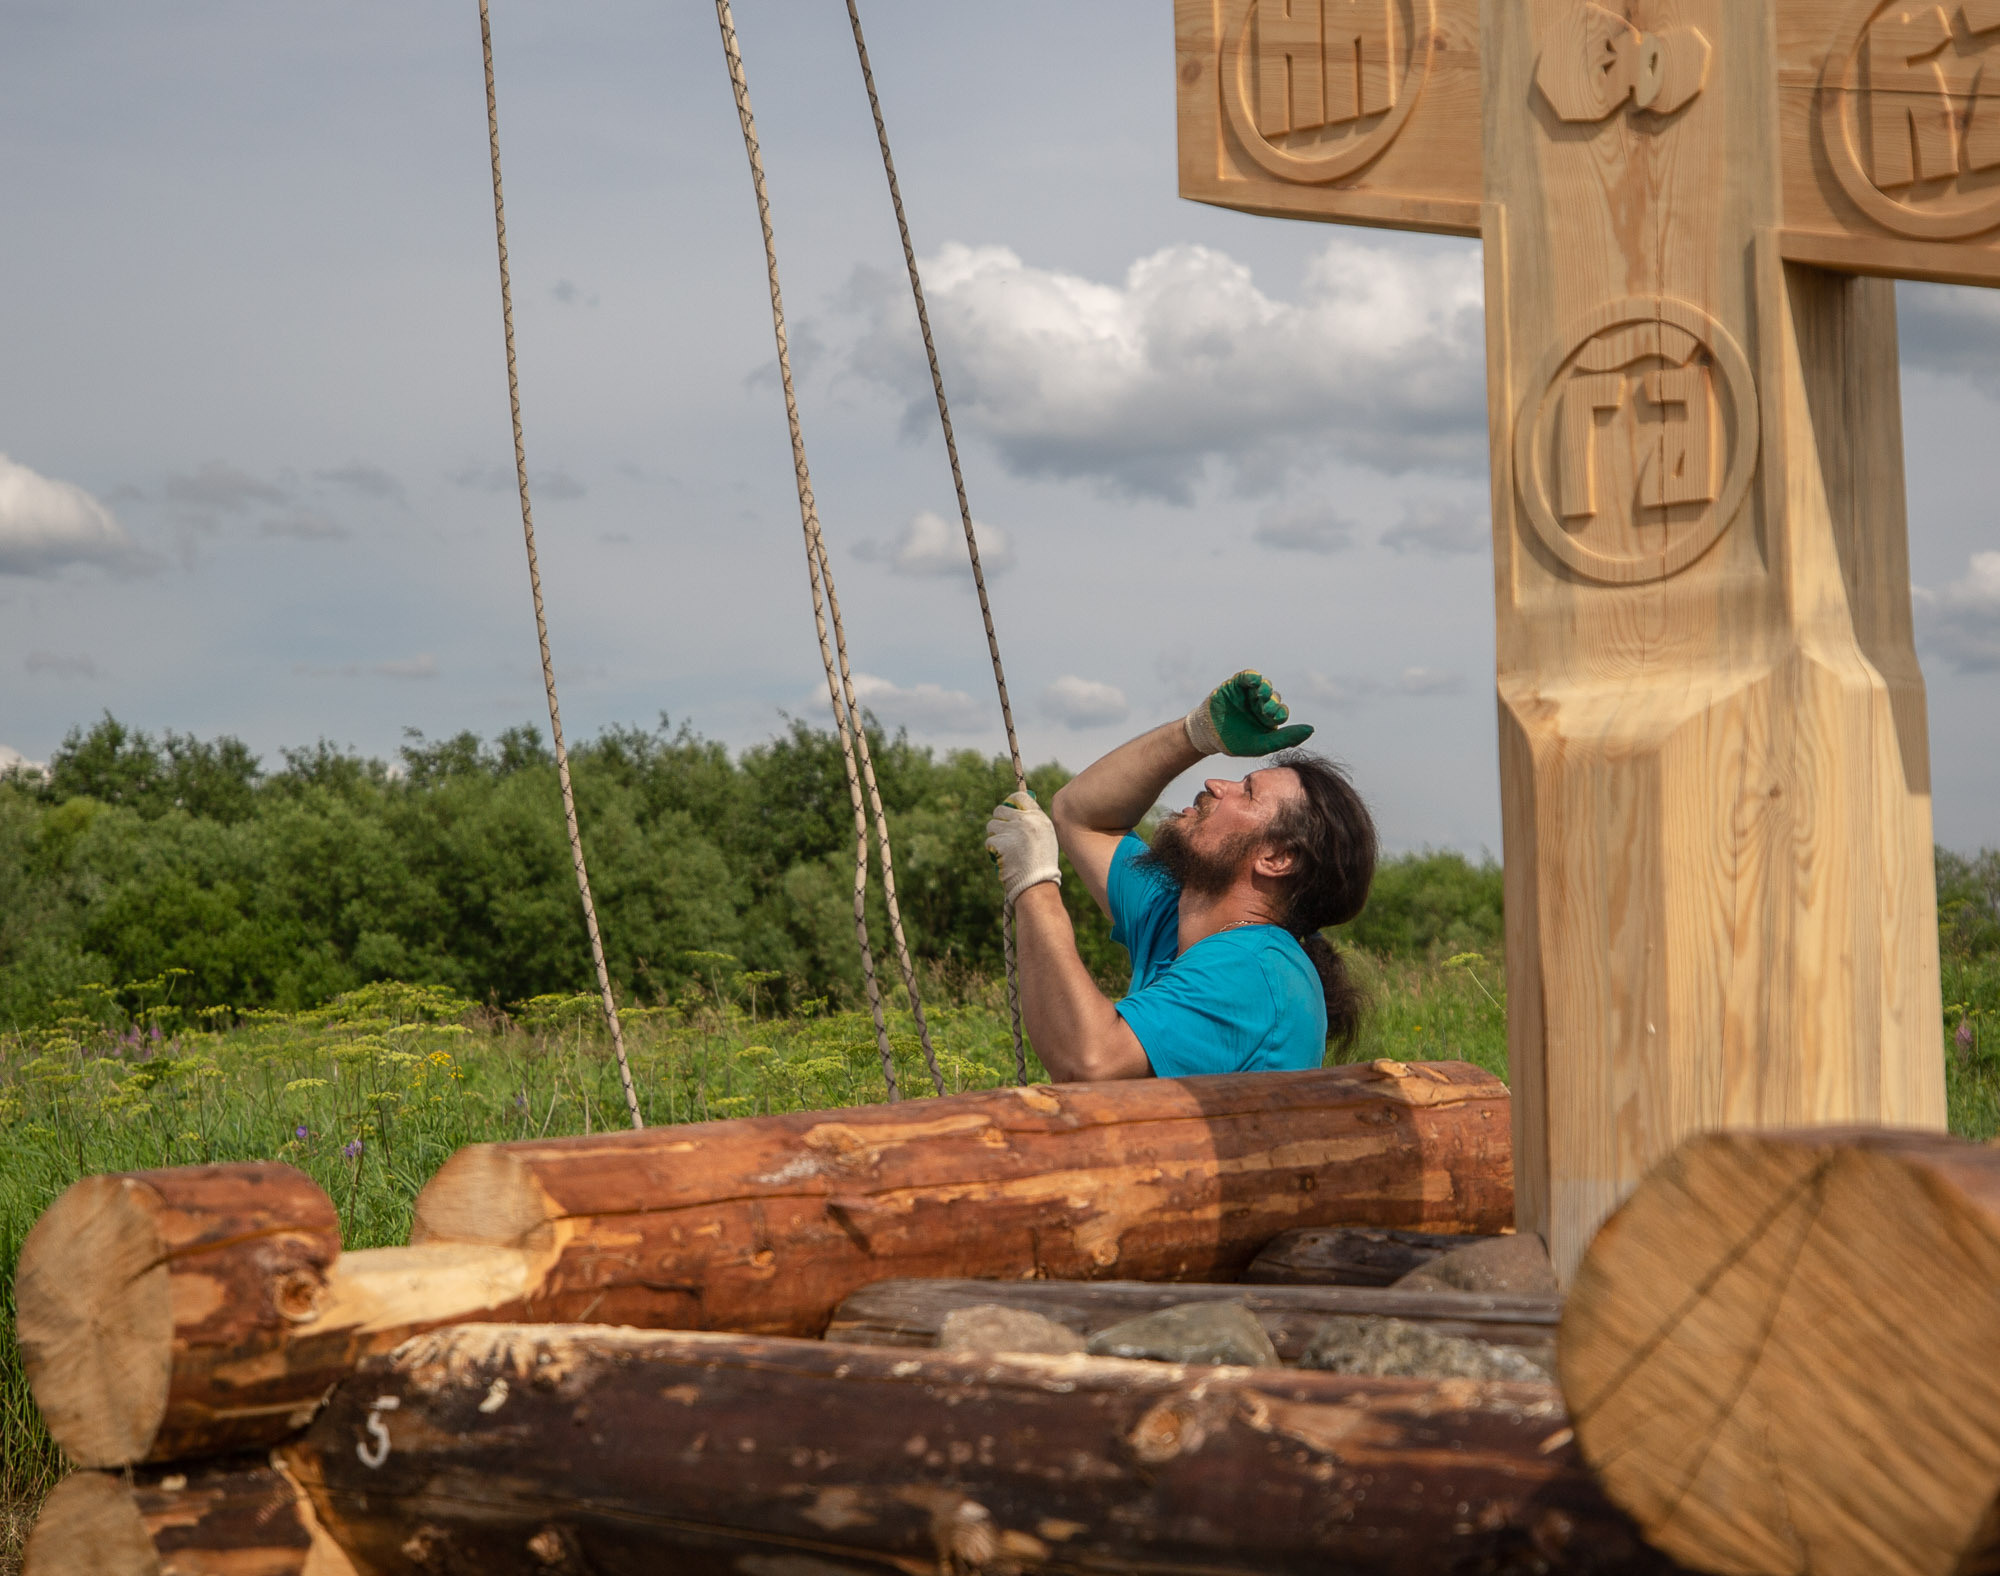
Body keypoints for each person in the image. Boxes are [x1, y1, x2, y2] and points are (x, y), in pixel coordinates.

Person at [984, 670, 1377, 1083]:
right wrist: (1196, 734)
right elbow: (1081, 815)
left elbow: (1090, 1061)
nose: (1214, 783)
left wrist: (1035, 887)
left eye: (1246, 791)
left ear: (1277, 858)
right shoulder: (1178, 914)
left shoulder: (1255, 966)